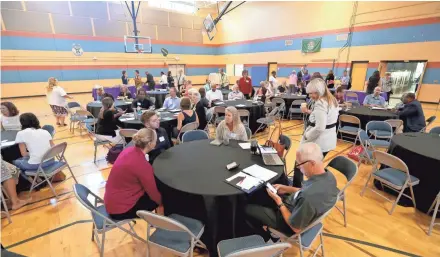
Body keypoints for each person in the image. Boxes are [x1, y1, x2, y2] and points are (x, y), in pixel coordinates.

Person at [245, 143, 339, 241]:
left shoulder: (308, 197)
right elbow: (305, 190)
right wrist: (286, 188)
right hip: (295, 206)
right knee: (263, 194)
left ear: (311, 163)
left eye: (300, 164)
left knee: (247, 209)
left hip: (287, 223)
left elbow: (296, 228)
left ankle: (264, 237)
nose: (298, 167)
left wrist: (279, 202)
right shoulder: (329, 177)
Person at [104, 128, 164, 220]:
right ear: (149, 144)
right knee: (164, 193)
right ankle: (162, 222)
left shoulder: (127, 150)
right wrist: (161, 203)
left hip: (111, 201)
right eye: (155, 140)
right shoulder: (142, 165)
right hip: (121, 210)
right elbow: (153, 194)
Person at [293, 78, 339, 187]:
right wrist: (309, 112)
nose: (310, 96)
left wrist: (307, 136)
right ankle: (308, 189)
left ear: (318, 91)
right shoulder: (331, 100)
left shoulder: (320, 103)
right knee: (315, 168)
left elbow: (319, 127)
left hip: (319, 141)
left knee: (301, 164)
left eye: (311, 94)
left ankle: (297, 189)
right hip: (328, 140)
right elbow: (322, 118)